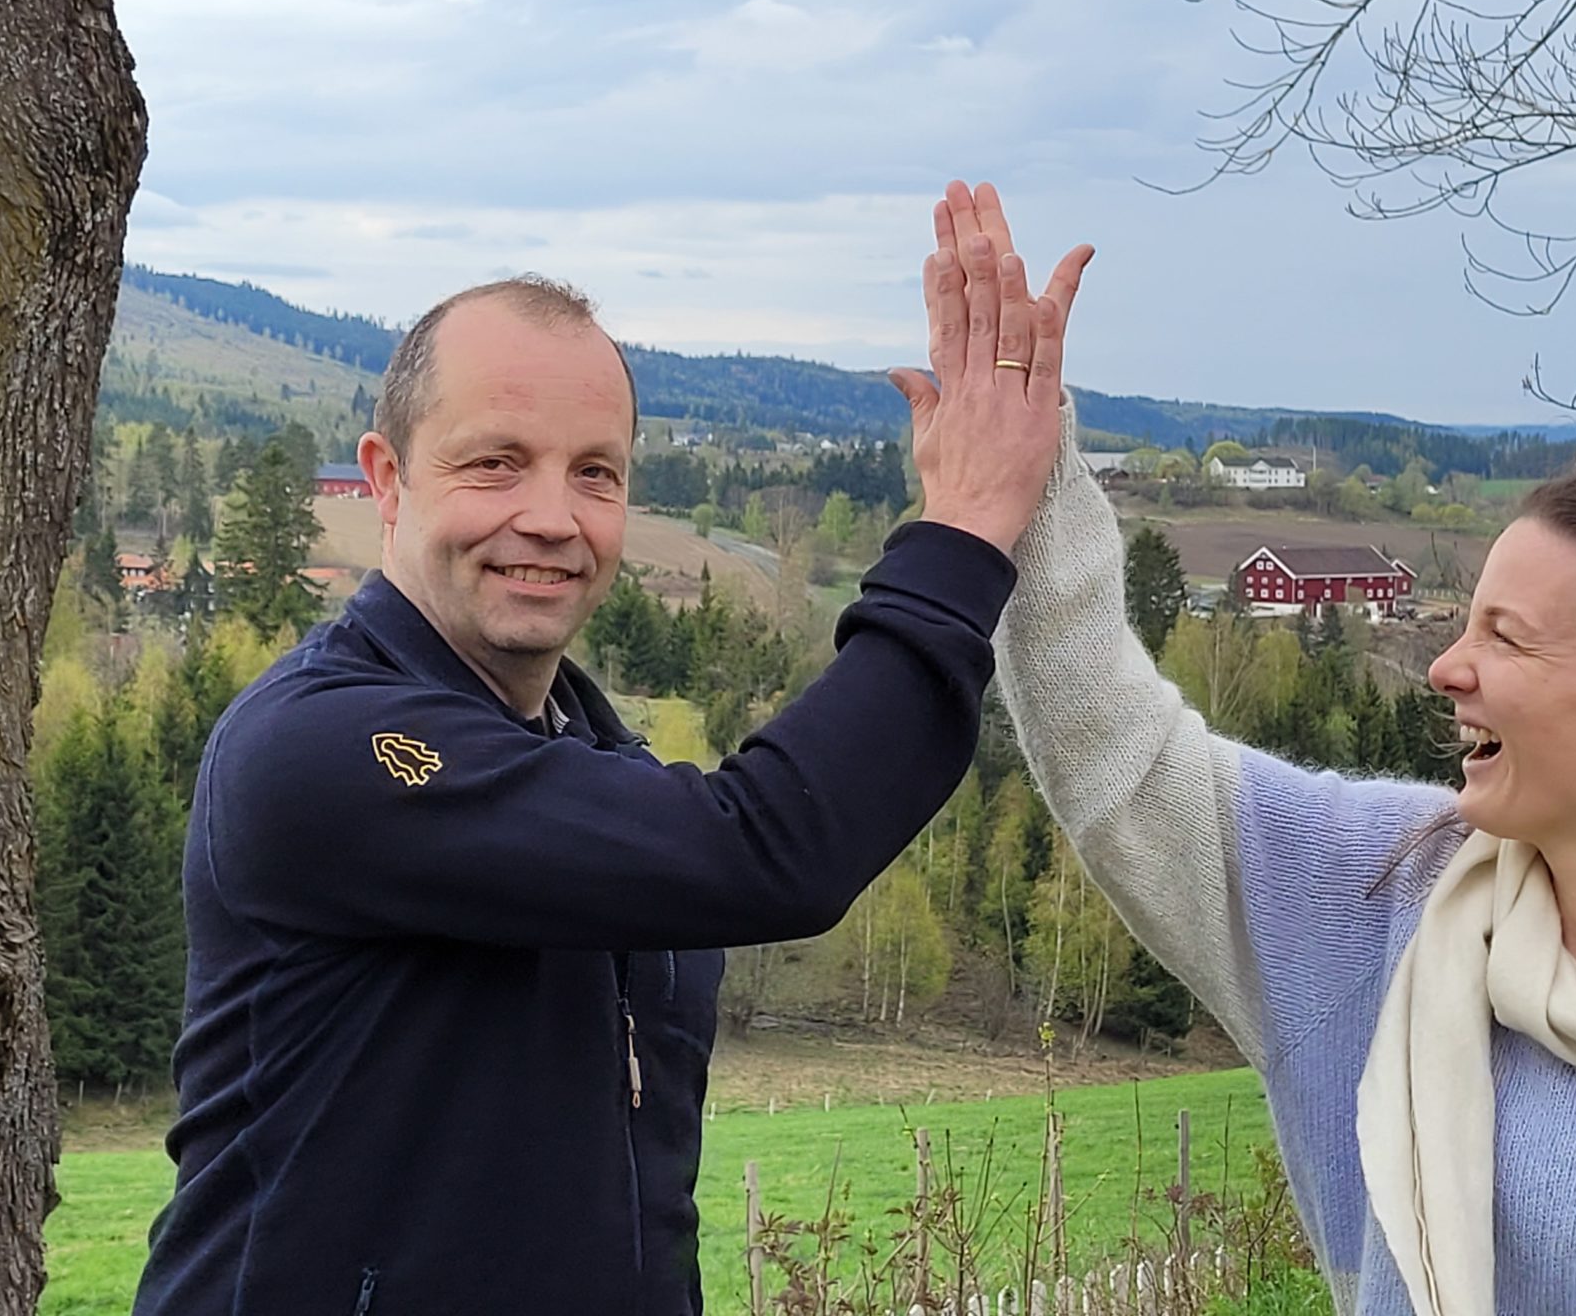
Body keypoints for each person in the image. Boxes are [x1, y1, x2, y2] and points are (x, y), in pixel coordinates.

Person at [960, 210, 1576, 1313]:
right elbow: (1128, 767)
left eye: (1506, 637)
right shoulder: (1386, 898)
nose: (1446, 668)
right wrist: (1030, 484)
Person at [132, 185, 1092, 1316]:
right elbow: (765, 850)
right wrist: (965, 529)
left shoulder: (600, 765)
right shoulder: (320, 747)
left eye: (595, 472)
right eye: (495, 462)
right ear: (387, 479)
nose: (551, 515)